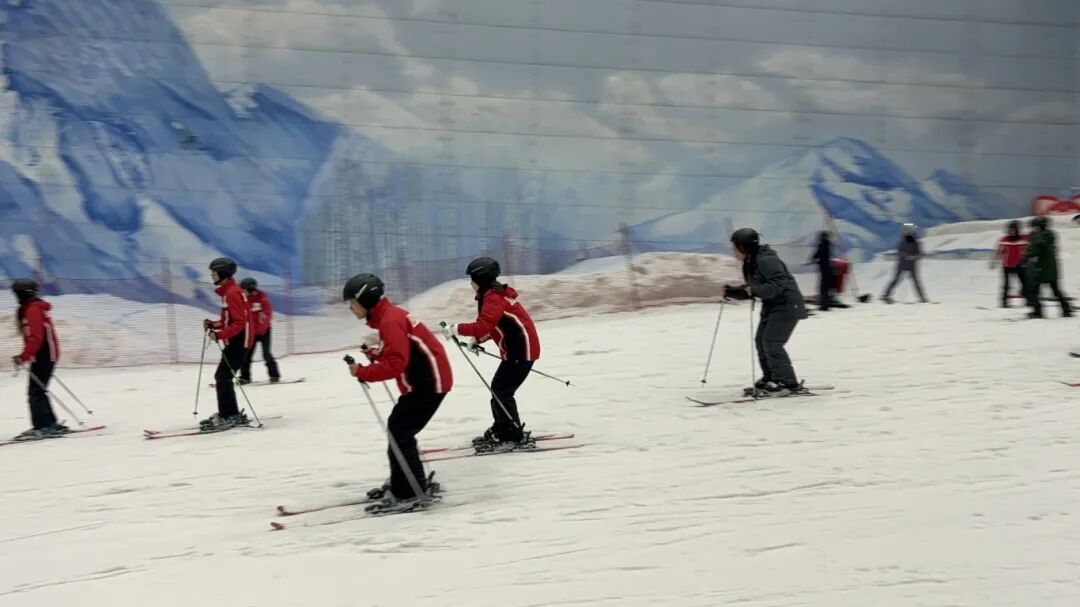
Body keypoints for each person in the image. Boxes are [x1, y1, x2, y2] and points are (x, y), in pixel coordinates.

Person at [343, 273, 452, 507]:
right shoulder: (390, 317)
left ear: (366, 299)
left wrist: (363, 372)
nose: (350, 308)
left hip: (429, 383)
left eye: (352, 302)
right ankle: (406, 481)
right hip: (428, 380)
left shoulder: (389, 321)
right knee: (399, 430)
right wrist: (375, 354)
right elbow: (399, 351)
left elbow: (395, 365)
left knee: (400, 431)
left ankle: (410, 490)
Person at [442, 256, 540, 449]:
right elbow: (494, 327)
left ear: (481, 279)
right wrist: (476, 340)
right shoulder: (492, 296)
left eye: (472, 279)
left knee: (502, 391)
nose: (470, 284)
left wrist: (456, 329)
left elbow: (482, 325)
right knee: (499, 390)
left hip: (521, 351)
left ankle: (512, 435)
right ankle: (502, 429)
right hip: (516, 350)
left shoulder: (494, 298)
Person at [723, 228, 808, 396]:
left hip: (787, 305)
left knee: (771, 342)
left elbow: (778, 284)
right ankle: (771, 378)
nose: (734, 250)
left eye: (736, 246)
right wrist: (738, 291)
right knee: (761, 341)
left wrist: (750, 290)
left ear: (745, 246)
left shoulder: (766, 260)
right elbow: (757, 287)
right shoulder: (752, 260)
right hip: (773, 305)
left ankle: (787, 383)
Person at [10, 279, 69, 440]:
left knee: (35, 392)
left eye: (17, 293)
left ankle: (44, 426)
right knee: (38, 390)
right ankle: (50, 423)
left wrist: (24, 356)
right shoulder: (33, 307)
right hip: (44, 355)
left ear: (24, 293)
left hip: (44, 355)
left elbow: (36, 337)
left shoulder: (33, 309)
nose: (16, 297)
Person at [200, 257, 253, 431]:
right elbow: (227, 320)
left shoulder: (231, 293)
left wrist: (220, 335)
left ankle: (229, 415)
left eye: (214, 273)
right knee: (223, 376)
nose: (212, 276)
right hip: (238, 339)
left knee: (222, 376)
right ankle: (230, 413)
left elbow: (239, 322)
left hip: (240, 340)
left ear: (223, 273)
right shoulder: (228, 292)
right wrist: (214, 325)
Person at [1023, 216, 1072, 318]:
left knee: (1033, 290)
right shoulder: (1051, 235)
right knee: (1056, 290)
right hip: (1052, 267)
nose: (1033, 229)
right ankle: (1066, 309)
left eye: (1035, 227)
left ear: (1039, 226)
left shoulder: (1039, 237)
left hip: (1041, 268)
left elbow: (1035, 249)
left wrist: (1025, 257)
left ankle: (1037, 311)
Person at [238, 277, 280, 384]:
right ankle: (245, 377)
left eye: (244, 289)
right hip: (251, 333)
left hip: (264, 332)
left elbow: (268, 315)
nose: (242, 291)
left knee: (266, 354)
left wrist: (261, 329)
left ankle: (274, 375)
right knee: (246, 355)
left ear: (250, 289)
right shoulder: (243, 300)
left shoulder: (263, 298)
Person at [881, 222, 928, 304]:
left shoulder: (914, 242)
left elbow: (920, 253)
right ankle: (885, 295)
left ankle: (922, 298)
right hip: (903, 264)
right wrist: (909, 256)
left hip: (910, 265)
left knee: (915, 281)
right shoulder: (903, 241)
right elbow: (900, 252)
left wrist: (915, 256)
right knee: (896, 280)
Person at [990, 220, 1028, 308]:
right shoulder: (1004, 239)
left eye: (1014, 230)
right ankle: (1004, 302)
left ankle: (1028, 300)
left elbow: (1029, 250)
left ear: (1018, 230)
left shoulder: (1024, 239)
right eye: (1011, 230)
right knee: (1006, 285)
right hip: (1007, 266)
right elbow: (999, 251)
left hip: (1020, 266)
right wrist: (994, 260)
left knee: (1025, 284)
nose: (1012, 232)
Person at [808, 230, 835, 311]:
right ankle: (825, 304)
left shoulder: (824, 245)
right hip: (826, 268)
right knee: (825, 287)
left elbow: (822, 256)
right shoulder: (825, 245)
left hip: (825, 268)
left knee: (824, 287)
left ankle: (825, 305)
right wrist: (813, 259)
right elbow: (818, 254)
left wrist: (815, 260)